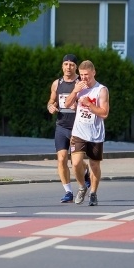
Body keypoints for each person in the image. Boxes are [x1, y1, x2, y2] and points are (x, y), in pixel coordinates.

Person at [64, 60, 109, 206]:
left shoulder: (101, 90)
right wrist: (75, 91)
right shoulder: (79, 87)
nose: (84, 78)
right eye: (82, 75)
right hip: (78, 132)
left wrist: (89, 104)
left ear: (93, 73)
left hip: (95, 134)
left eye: (87, 75)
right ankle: (82, 187)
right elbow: (67, 104)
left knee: (94, 165)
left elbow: (104, 113)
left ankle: (94, 193)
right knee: (76, 163)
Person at [47, 54, 90, 203]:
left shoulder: (81, 83)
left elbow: (89, 103)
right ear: (62, 66)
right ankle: (68, 192)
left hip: (77, 127)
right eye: (66, 64)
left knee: (76, 161)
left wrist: (78, 105)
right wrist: (50, 107)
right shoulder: (57, 83)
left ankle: (85, 171)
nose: (68, 67)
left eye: (71, 64)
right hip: (61, 126)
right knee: (61, 159)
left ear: (76, 67)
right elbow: (51, 101)